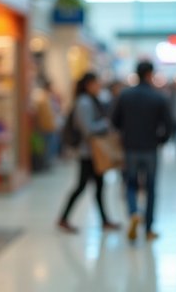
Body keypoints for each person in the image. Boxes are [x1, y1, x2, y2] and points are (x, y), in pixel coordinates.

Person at [112, 61, 172, 241]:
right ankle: (148, 228)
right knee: (151, 187)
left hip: (130, 147)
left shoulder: (125, 95)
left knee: (130, 183)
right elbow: (168, 125)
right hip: (150, 148)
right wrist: (160, 140)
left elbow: (115, 122)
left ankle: (133, 212)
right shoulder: (158, 97)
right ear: (150, 74)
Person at [57, 72, 120, 234]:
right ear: (88, 85)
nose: (99, 86)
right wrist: (105, 124)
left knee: (98, 186)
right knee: (82, 186)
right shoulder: (84, 103)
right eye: (96, 83)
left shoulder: (92, 101)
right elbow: (88, 129)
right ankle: (63, 218)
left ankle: (104, 220)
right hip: (87, 153)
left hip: (93, 153)